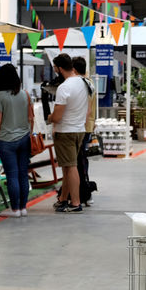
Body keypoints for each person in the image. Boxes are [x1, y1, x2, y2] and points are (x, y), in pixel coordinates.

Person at [0, 64, 34, 218]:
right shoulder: (25, 94)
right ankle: (23, 208)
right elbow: (31, 118)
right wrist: (30, 133)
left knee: (12, 175)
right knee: (23, 174)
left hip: (6, 141)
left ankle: (14, 209)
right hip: (24, 139)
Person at [47, 53, 89, 213]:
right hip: (79, 130)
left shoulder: (64, 87)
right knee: (67, 167)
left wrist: (49, 117)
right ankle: (63, 198)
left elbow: (57, 117)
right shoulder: (84, 82)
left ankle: (75, 203)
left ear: (58, 68)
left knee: (71, 167)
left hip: (65, 132)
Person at [73, 56, 97, 207]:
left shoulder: (82, 85)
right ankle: (83, 191)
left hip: (81, 126)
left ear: (73, 70)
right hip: (88, 126)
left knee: (79, 161)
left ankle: (84, 192)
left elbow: (86, 109)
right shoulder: (91, 83)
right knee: (82, 159)